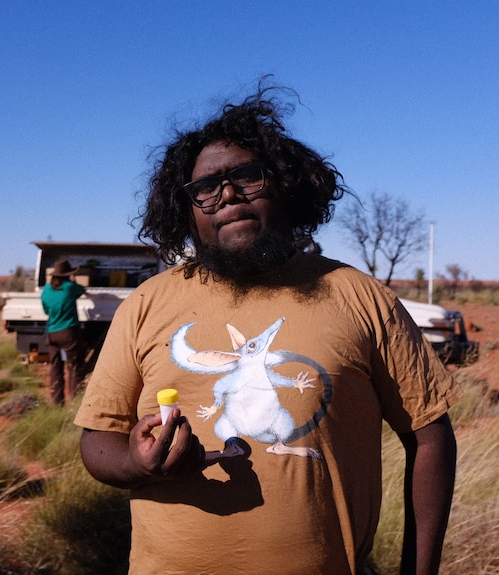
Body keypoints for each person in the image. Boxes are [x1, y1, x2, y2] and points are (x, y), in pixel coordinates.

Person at [75, 86, 461, 575]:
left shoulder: (361, 297)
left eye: (247, 177)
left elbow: (430, 436)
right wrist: (137, 463)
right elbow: (97, 440)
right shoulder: (148, 303)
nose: (228, 195)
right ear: (187, 211)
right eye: (206, 188)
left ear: (285, 186)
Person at [41, 259, 86, 405]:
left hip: (52, 333)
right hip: (68, 332)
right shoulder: (70, 287)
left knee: (55, 368)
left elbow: (46, 310)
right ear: (68, 274)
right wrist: (73, 280)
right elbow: (82, 290)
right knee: (75, 366)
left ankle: (57, 402)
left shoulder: (47, 289)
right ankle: (75, 402)